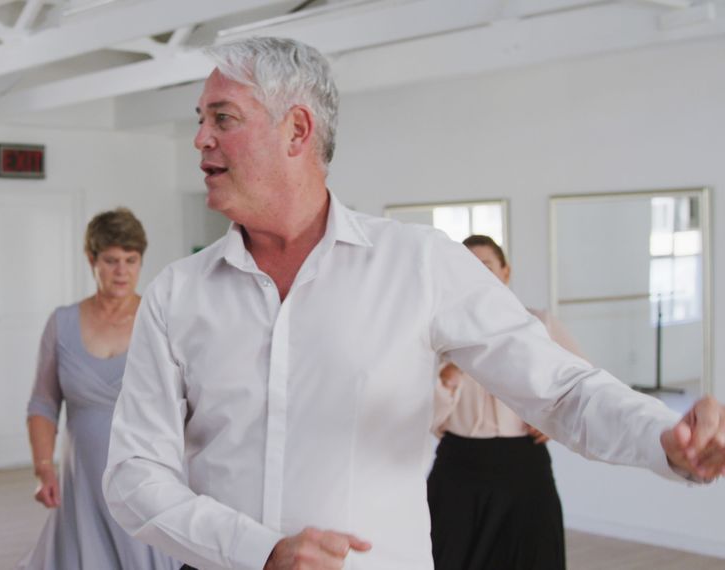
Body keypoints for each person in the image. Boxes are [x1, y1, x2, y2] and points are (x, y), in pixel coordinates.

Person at [102, 37, 725, 570]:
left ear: (296, 129)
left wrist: (662, 438)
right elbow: (133, 472)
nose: (200, 138)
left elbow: (560, 391)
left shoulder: (419, 263)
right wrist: (258, 551)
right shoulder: (177, 293)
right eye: (200, 118)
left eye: (222, 118)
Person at [19, 208, 178, 570]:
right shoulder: (62, 323)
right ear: (91, 259)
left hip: (148, 474)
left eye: (131, 260)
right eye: (110, 260)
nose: (122, 271)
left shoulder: (163, 321)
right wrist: (43, 468)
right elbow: (43, 403)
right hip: (84, 479)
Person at [429, 234, 583, 570]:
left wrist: (555, 425)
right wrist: (451, 373)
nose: (477, 274)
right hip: (459, 464)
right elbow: (427, 418)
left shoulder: (539, 324)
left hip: (523, 465)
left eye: (485, 266)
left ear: (505, 272)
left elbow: (579, 388)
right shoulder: (436, 331)